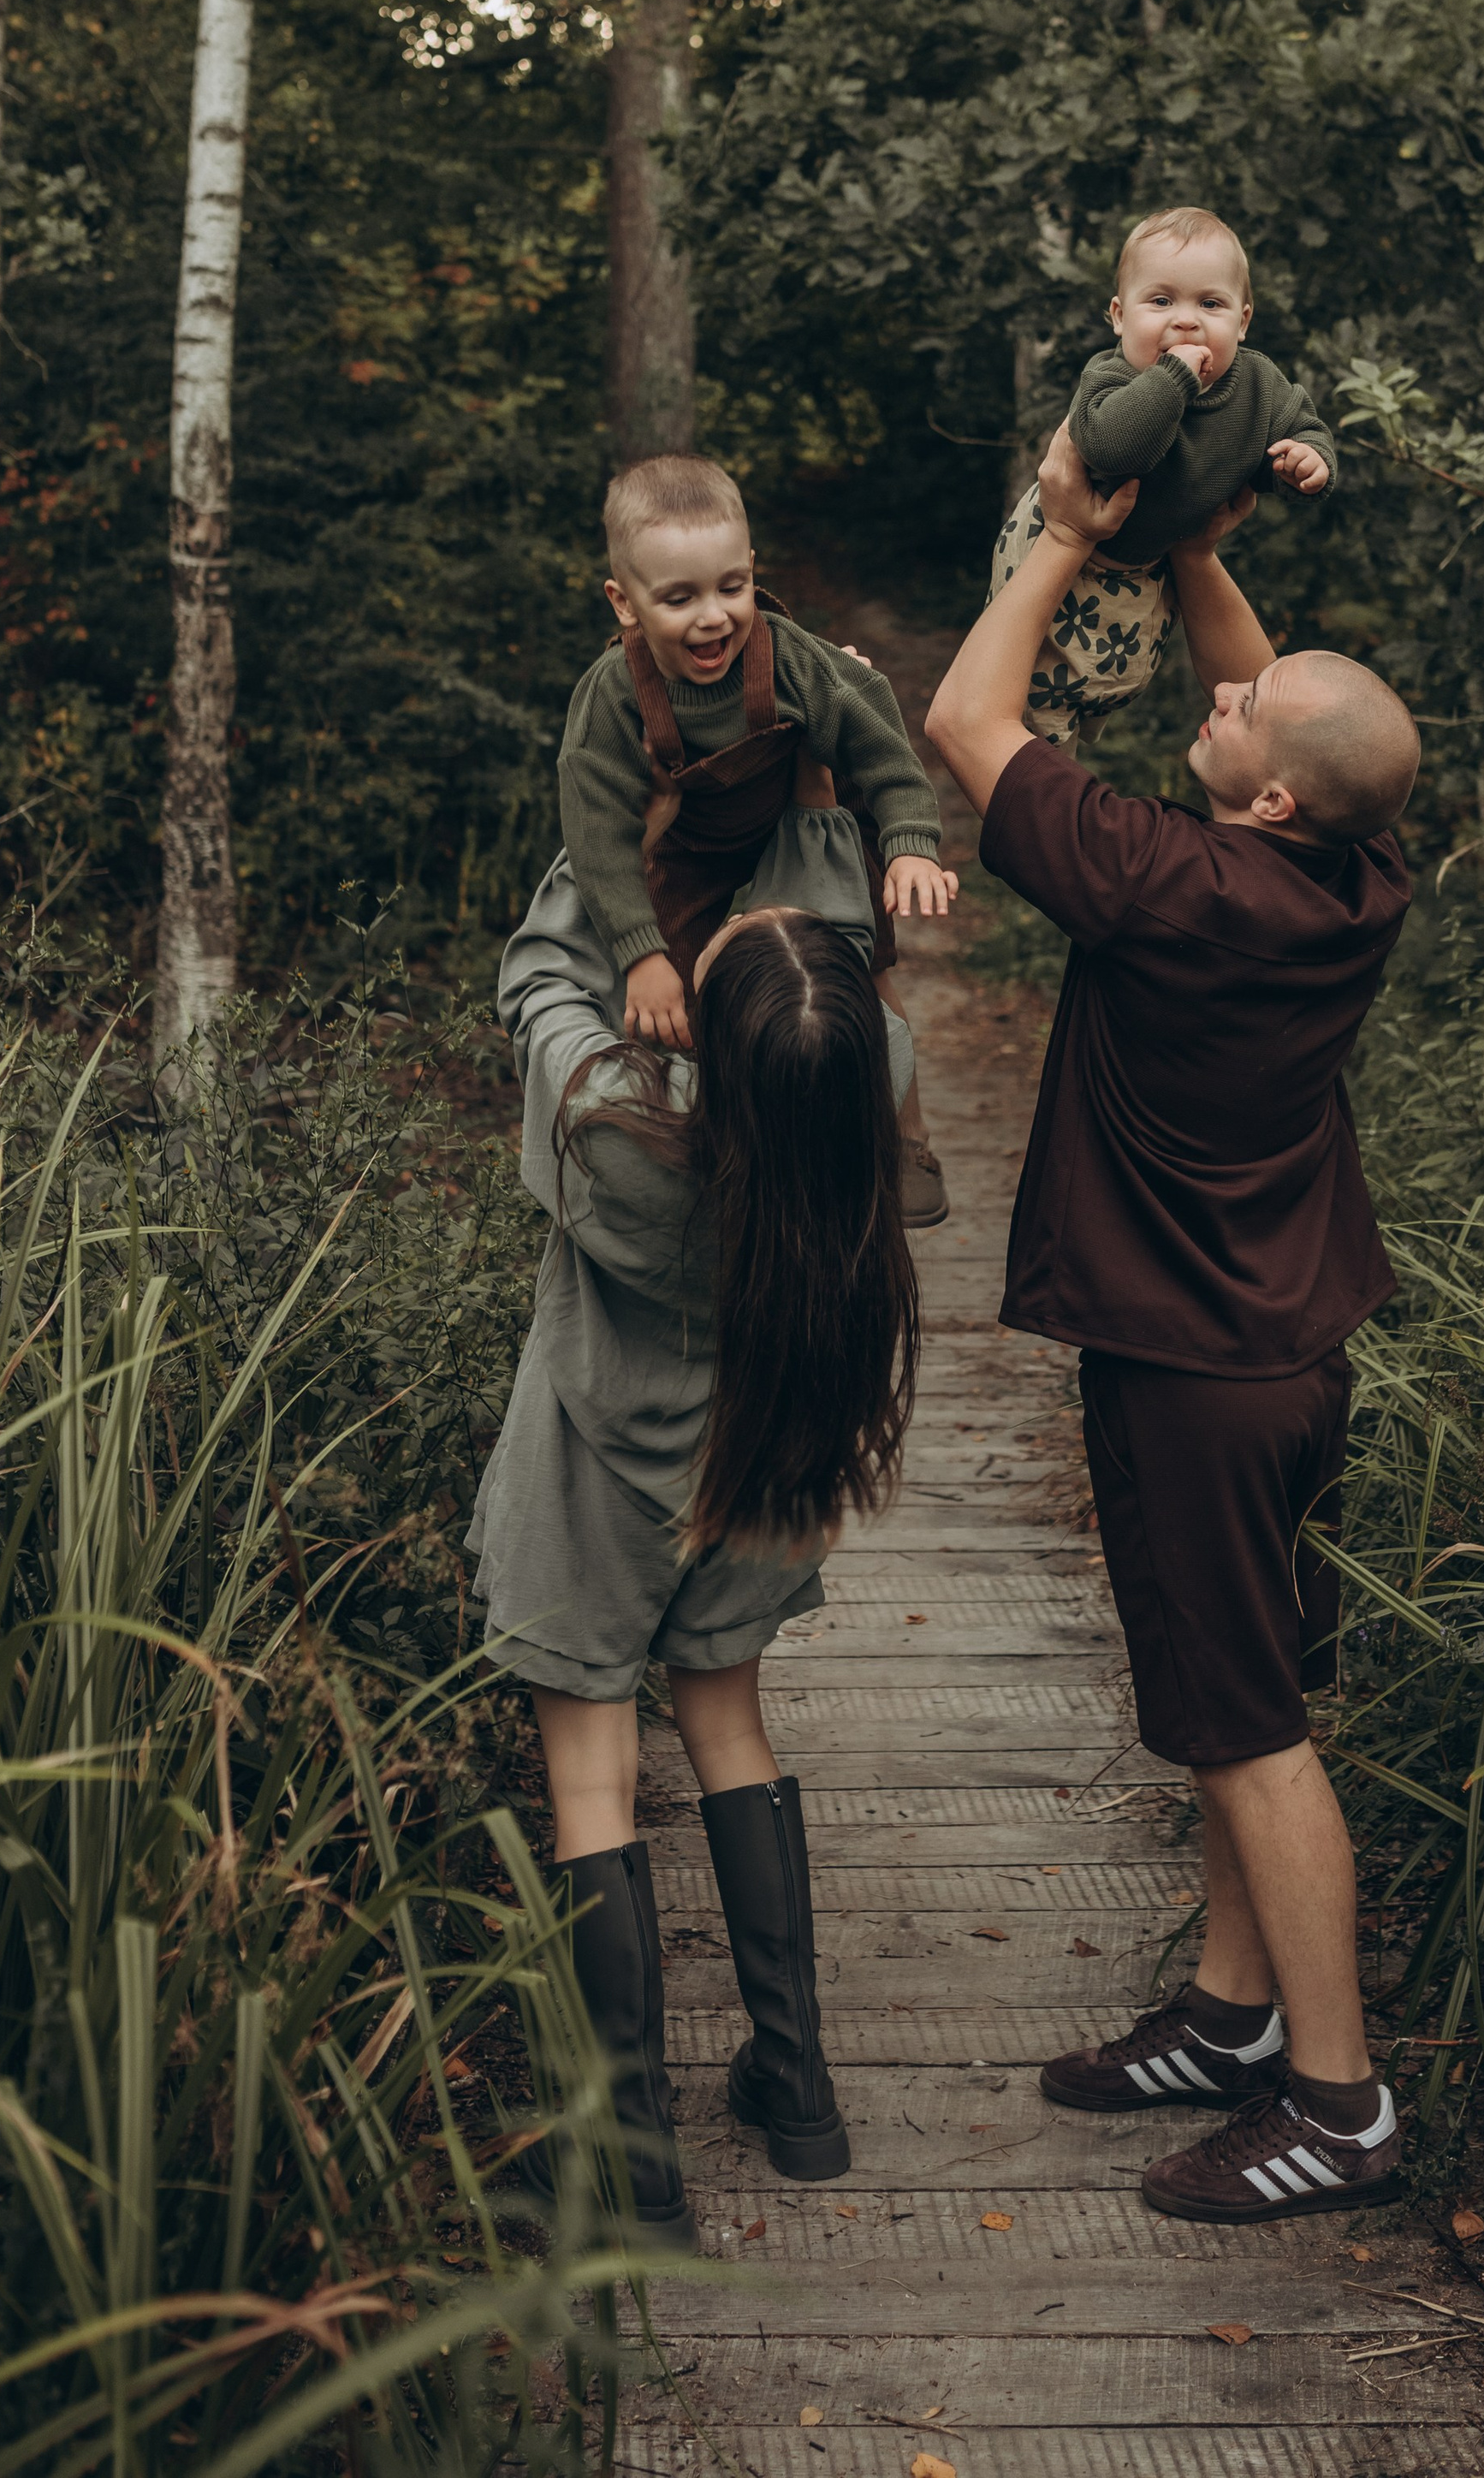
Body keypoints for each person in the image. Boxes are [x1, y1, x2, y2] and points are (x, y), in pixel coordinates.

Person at [927, 426, 1420, 2225]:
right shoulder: (1349, 880)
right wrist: (1200, 543)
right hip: (1289, 1350)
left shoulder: (1168, 885)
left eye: (1240, 716)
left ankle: (1336, 2101)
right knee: (1252, 1686)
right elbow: (1283, 714)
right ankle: (1228, 2018)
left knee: (1244, 1731)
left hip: (1197, 1379)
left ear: (1263, 797)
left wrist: (1059, 541)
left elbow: (966, 729)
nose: (1218, 698)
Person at [469, 811, 920, 2244]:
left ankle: (628, 2163)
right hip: (762, 1459)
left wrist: (618, 820)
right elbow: (825, 969)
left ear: (704, 1046)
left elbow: (542, 975)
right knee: (729, 1724)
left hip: (599, 1478)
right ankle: (798, 2094)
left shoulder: (616, 1121)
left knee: (593, 1777)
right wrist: (804, 797)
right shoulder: (864, 1085)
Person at [559, 449, 958, 1224]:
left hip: (799, 823)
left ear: (752, 570)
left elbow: (881, 744)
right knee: (675, 1002)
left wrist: (911, 837)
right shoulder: (614, 695)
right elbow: (596, 828)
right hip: (693, 852)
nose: (714, 616)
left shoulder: (791, 660)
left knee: (854, 964)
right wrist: (640, 954)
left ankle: (904, 1135)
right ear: (625, 602)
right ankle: (733, 1143)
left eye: (731, 587)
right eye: (679, 598)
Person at [988, 206, 1337, 748]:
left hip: (1150, 565)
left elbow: (1299, 429)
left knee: (1113, 677)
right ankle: (1028, 782)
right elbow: (1111, 450)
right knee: (1034, 683)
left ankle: (1077, 737)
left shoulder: (1258, 385)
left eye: (1211, 304)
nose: (1186, 320)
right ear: (1119, 316)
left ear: (1243, 323)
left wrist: (1305, 463)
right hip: (1059, 544)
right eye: (1161, 301)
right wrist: (1175, 378)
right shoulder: (1112, 377)